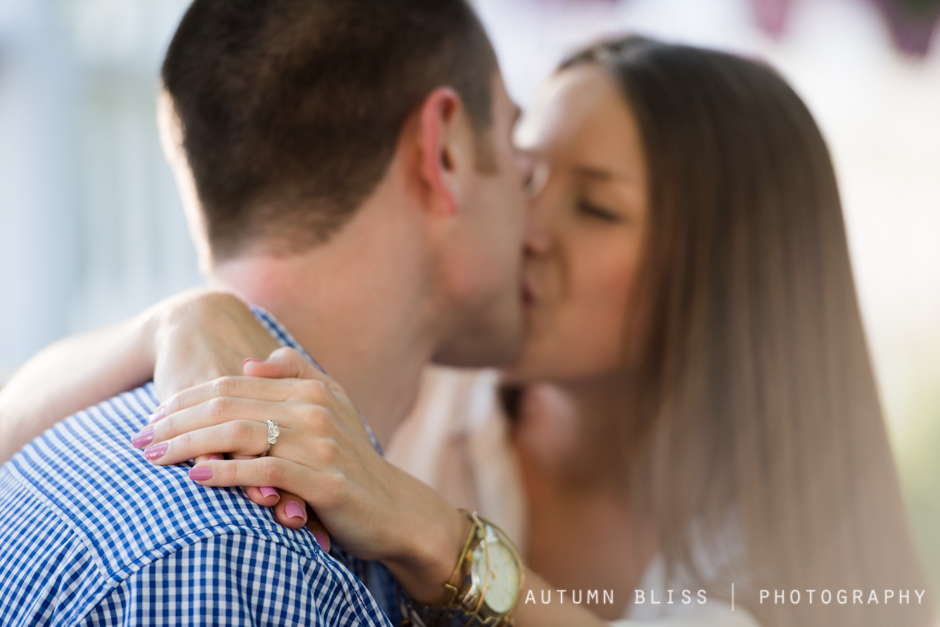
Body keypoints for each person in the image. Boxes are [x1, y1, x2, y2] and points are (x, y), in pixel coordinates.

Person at [2, 36, 934, 627]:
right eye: (523, 175)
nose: (527, 230)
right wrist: (179, 316)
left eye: (594, 208)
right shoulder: (404, 379)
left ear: (734, 274)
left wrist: (443, 542)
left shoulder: (802, 560)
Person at [0, 0, 534, 624]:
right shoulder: (237, 556)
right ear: (443, 152)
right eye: (513, 140)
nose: (532, 194)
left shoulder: (90, 441)